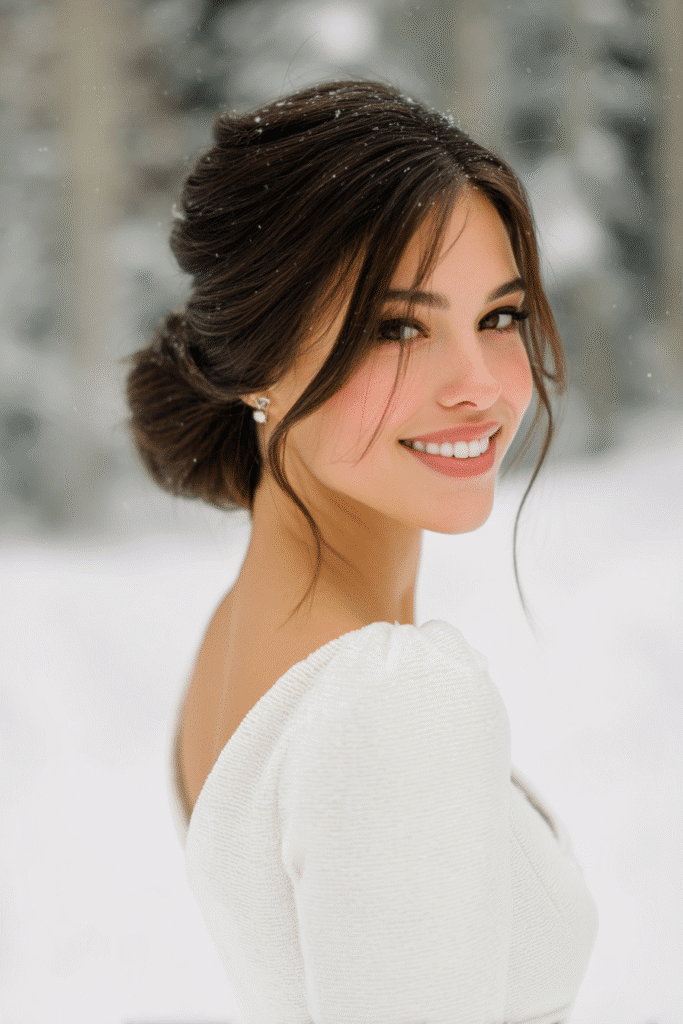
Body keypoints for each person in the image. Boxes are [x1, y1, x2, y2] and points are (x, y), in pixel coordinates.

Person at [126, 80, 597, 1023]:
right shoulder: (389, 697)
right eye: (396, 328)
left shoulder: (245, 632)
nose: (479, 387)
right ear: (257, 358)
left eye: (499, 316)